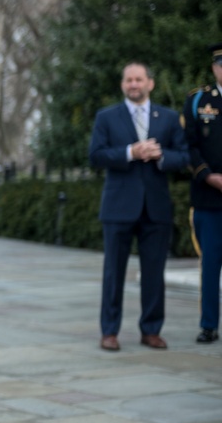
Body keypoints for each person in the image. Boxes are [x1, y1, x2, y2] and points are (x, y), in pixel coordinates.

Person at [89, 62, 187, 352]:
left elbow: (183, 157)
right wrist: (131, 152)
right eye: (129, 80)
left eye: (139, 79)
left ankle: (151, 330)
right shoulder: (107, 117)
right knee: (113, 272)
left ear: (150, 84)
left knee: (155, 272)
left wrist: (160, 155)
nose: (134, 84)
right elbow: (95, 155)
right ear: (123, 85)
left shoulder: (168, 118)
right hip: (119, 207)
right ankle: (109, 331)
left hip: (156, 208)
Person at [183, 42, 222, 344]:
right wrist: (208, 177)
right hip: (209, 199)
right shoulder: (198, 100)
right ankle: (209, 324)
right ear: (214, 67)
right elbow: (189, 145)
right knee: (210, 264)